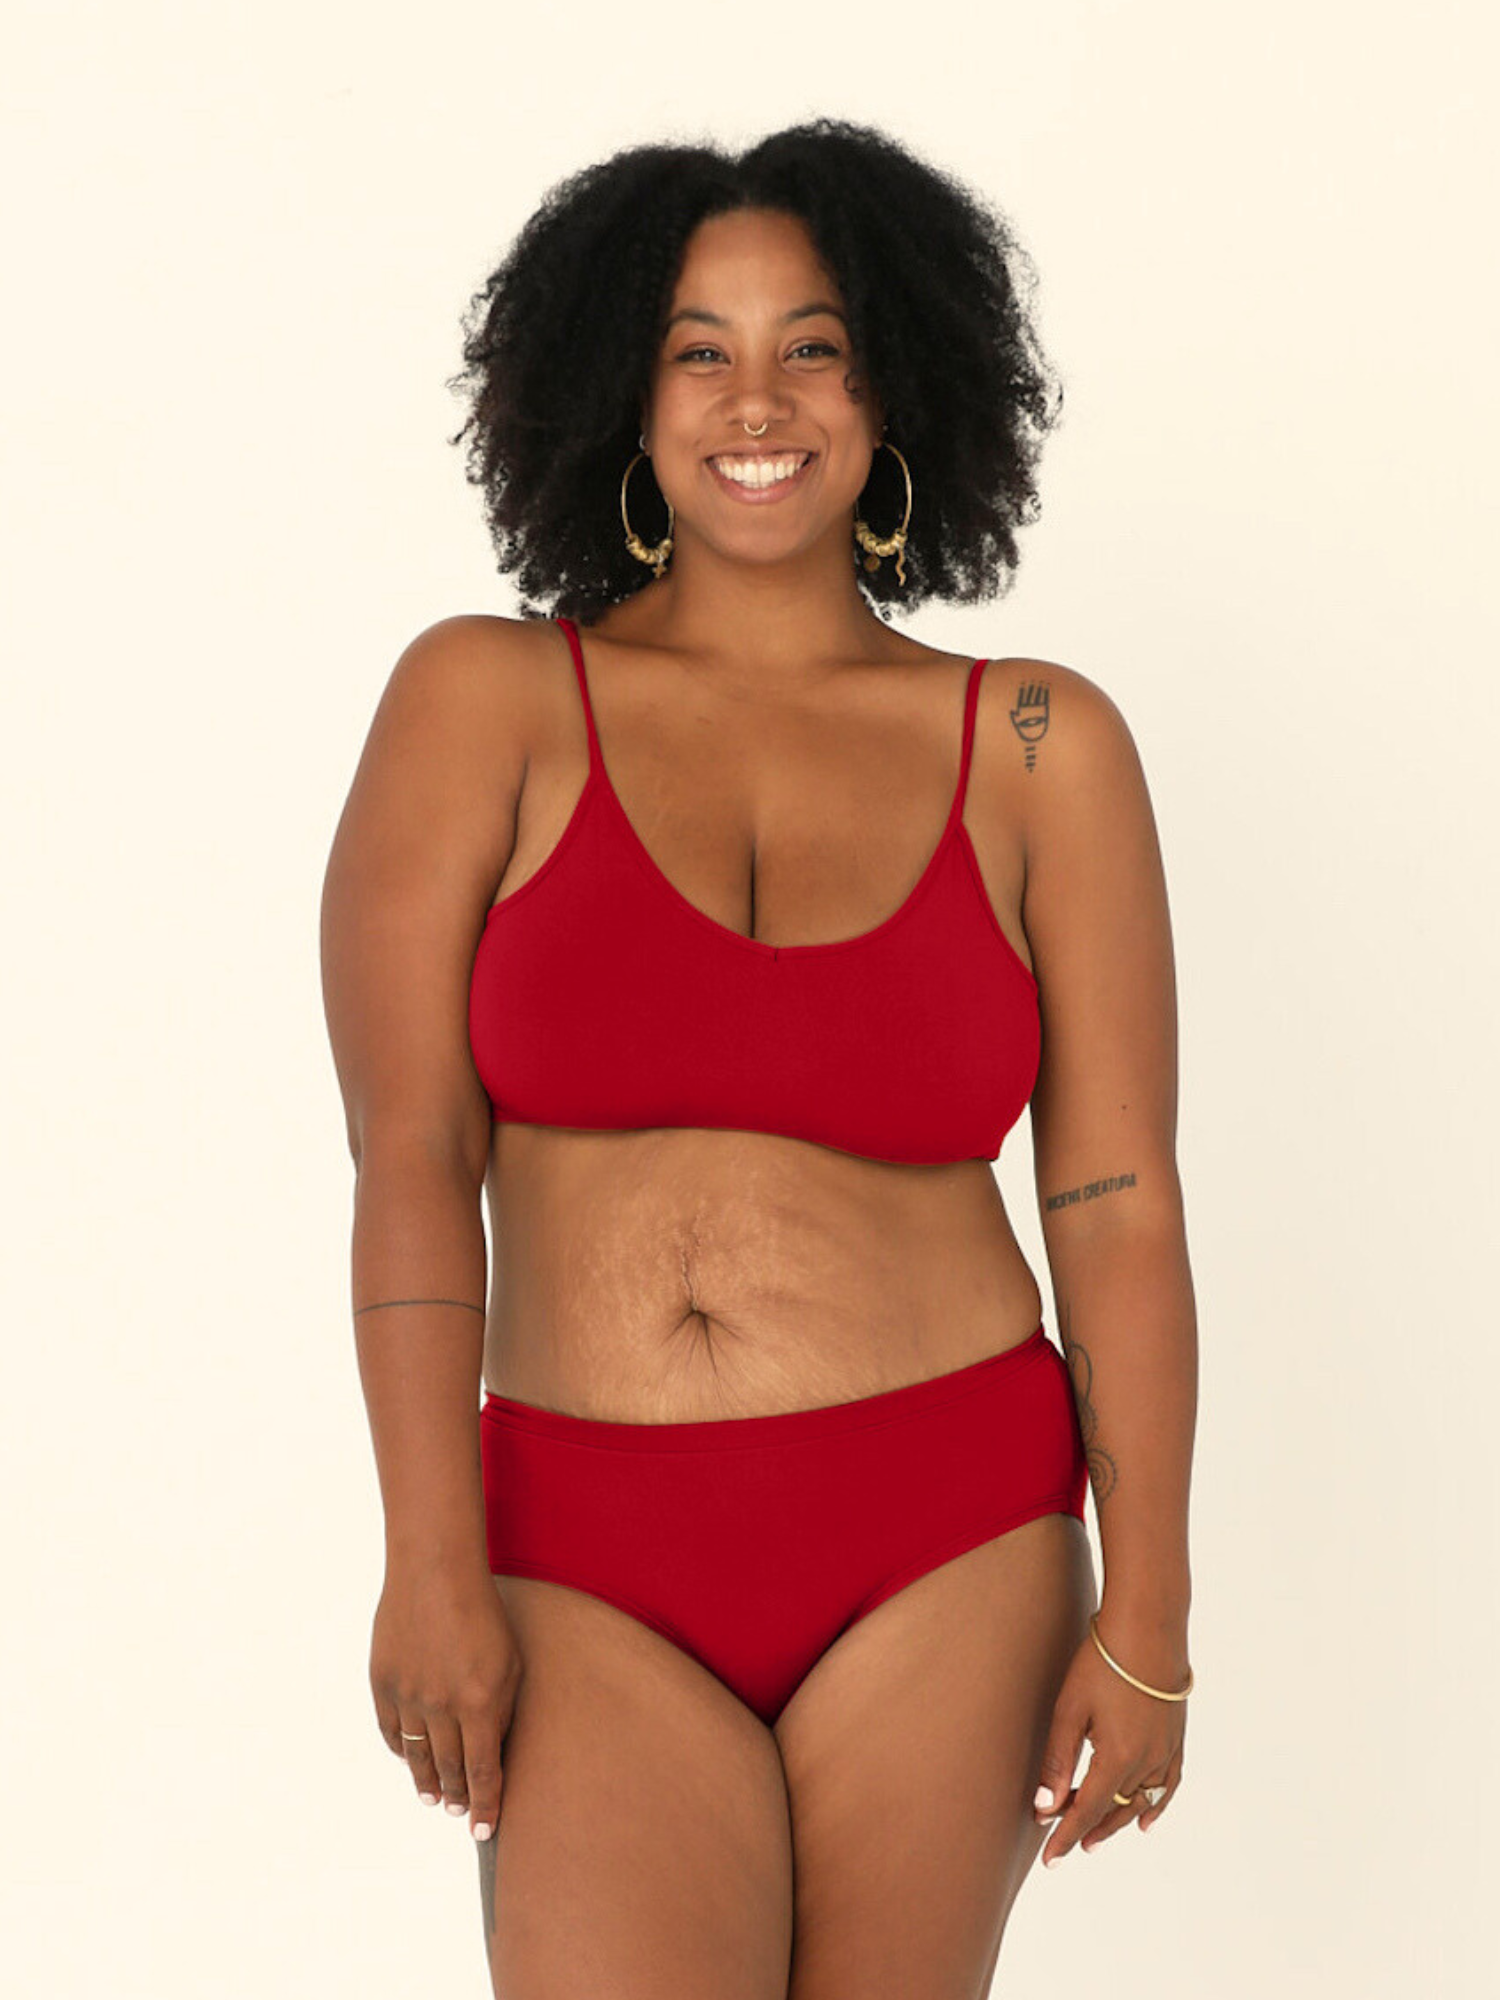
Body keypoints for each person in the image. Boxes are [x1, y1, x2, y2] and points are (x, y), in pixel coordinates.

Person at [320, 116, 1197, 1999]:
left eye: (814, 343)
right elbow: (408, 1154)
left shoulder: (1043, 746)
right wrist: (424, 1555)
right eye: (696, 349)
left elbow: (1117, 1205)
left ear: (895, 389)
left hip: (950, 1533)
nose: (757, 398)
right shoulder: (483, 701)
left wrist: (1152, 1616)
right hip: (579, 1544)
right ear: (618, 401)